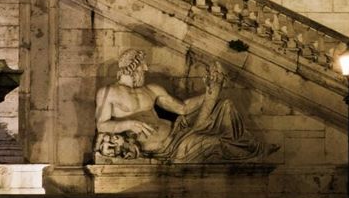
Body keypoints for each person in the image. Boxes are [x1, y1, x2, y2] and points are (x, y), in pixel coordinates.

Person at [94, 48, 264, 163]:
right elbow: (101, 125)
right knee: (213, 142)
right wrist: (129, 123)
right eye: (142, 65)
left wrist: (210, 92)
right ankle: (254, 155)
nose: (145, 69)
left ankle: (251, 151)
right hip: (165, 148)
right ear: (133, 67)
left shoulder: (152, 89)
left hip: (177, 134)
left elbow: (183, 108)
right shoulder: (108, 92)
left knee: (224, 106)